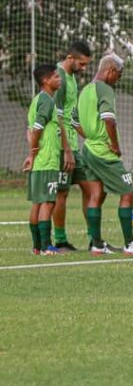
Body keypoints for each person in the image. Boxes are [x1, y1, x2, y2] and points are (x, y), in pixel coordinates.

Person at [71, 54, 133, 256]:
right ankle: (130, 243)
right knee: (129, 193)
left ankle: (96, 244)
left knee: (96, 195)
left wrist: (90, 136)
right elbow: (109, 120)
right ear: (110, 70)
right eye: (119, 75)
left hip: (88, 149)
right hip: (103, 152)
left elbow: (74, 121)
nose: (118, 79)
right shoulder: (105, 89)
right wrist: (114, 145)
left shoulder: (85, 90)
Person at [52, 40, 92, 251]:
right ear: (70, 58)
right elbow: (57, 116)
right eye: (82, 64)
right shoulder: (59, 78)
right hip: (61, 147)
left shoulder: (72, 79)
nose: (83, 69)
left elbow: (70, 116)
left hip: (73, 146)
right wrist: (66, 150)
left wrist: (88, 136)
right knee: (62, 193)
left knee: (91, 188)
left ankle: (94, 238)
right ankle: (60, 240)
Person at [25, 64, 63, 255]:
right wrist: (33, 154)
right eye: (56, 76)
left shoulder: (36, 100)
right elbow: (37, 128)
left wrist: (31, 155)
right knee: (48, 202)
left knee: (38, 203)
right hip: (46, 160)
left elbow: (29, 130)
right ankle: (47, 245)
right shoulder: (46, 101)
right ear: (46, 81)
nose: (59, 79)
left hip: (40, 160)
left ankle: (37, 246)